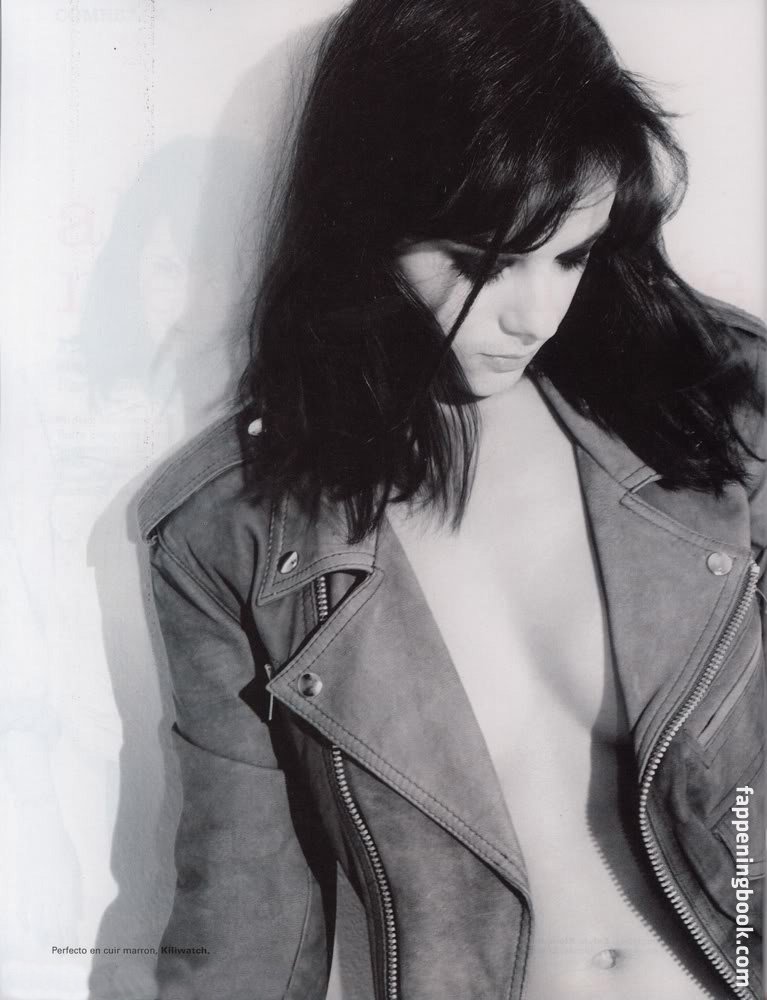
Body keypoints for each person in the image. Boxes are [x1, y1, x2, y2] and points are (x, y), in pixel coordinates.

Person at [136, 0, 766, 997]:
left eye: (569, 255)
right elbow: (243, 939)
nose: (533, 313)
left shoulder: (719, 403)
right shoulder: (231, 533)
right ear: (365, 226)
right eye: (481, 262)